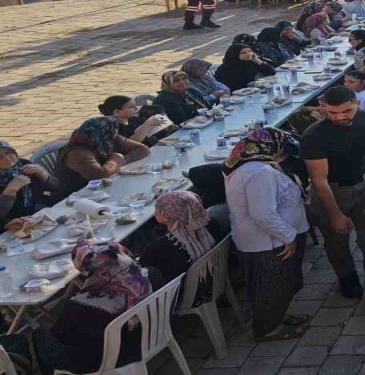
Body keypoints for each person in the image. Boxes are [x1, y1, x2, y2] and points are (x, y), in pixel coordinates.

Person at [0, 240, 160, 375]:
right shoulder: (152, 274)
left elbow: (59, 337)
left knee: (39, 334)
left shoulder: (83, 306)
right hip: (147, 337)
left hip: (104, 360)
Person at [223, 126, 311, 340]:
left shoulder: (254, 165)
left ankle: (276, 317)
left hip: (272, 239)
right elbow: (262, 214)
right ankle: (268, 329)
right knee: (271, 288)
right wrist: (288, 236)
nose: (284, 157)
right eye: (283, 152)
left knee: (281, 285)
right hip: (268, 242)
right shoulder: (259, 173)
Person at [300, 87, 365, 307]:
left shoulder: (363, 117)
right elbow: (319, 181)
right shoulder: (313, 136)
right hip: (332, 191)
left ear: (357, 103)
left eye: (346, 111)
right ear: (324, 108)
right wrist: (335, 214)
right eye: (332, 113)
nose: (340, 117)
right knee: (337, 243)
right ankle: (347, 279)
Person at [139, 190, 225, 301]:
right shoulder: (210, 225)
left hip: (187, 295)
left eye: (157, 208)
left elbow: (143, 269)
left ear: (165, 216)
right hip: (217, 278)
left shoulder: (158, 249)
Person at [56, 117, 151, 194]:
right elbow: (100, 175)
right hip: (79, 195)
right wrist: (114, 160)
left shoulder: (106, 137)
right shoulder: (78, 152)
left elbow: (142, 149)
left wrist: (124, 160)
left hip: (106, 187)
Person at [0, 141, 61, 222]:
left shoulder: (23, 164)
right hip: (13, 221)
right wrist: (10, 191)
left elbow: (56, 188)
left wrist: (45, 176)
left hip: (40, 208)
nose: (7, 158)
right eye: (0, 157)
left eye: (8, 153)